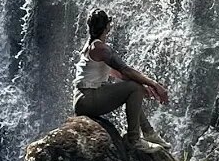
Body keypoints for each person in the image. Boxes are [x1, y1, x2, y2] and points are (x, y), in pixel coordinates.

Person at [72, 9, 172, 153]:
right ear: (107, 27)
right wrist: (155, 85)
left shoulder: (92, 46)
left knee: (133, 87)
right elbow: (125, 70)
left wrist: (144, 86)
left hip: (84, 98)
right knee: (133, 88)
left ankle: (149, 133)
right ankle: (134, 140)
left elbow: (120, 74)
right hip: (88, 98)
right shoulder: (100, 48)